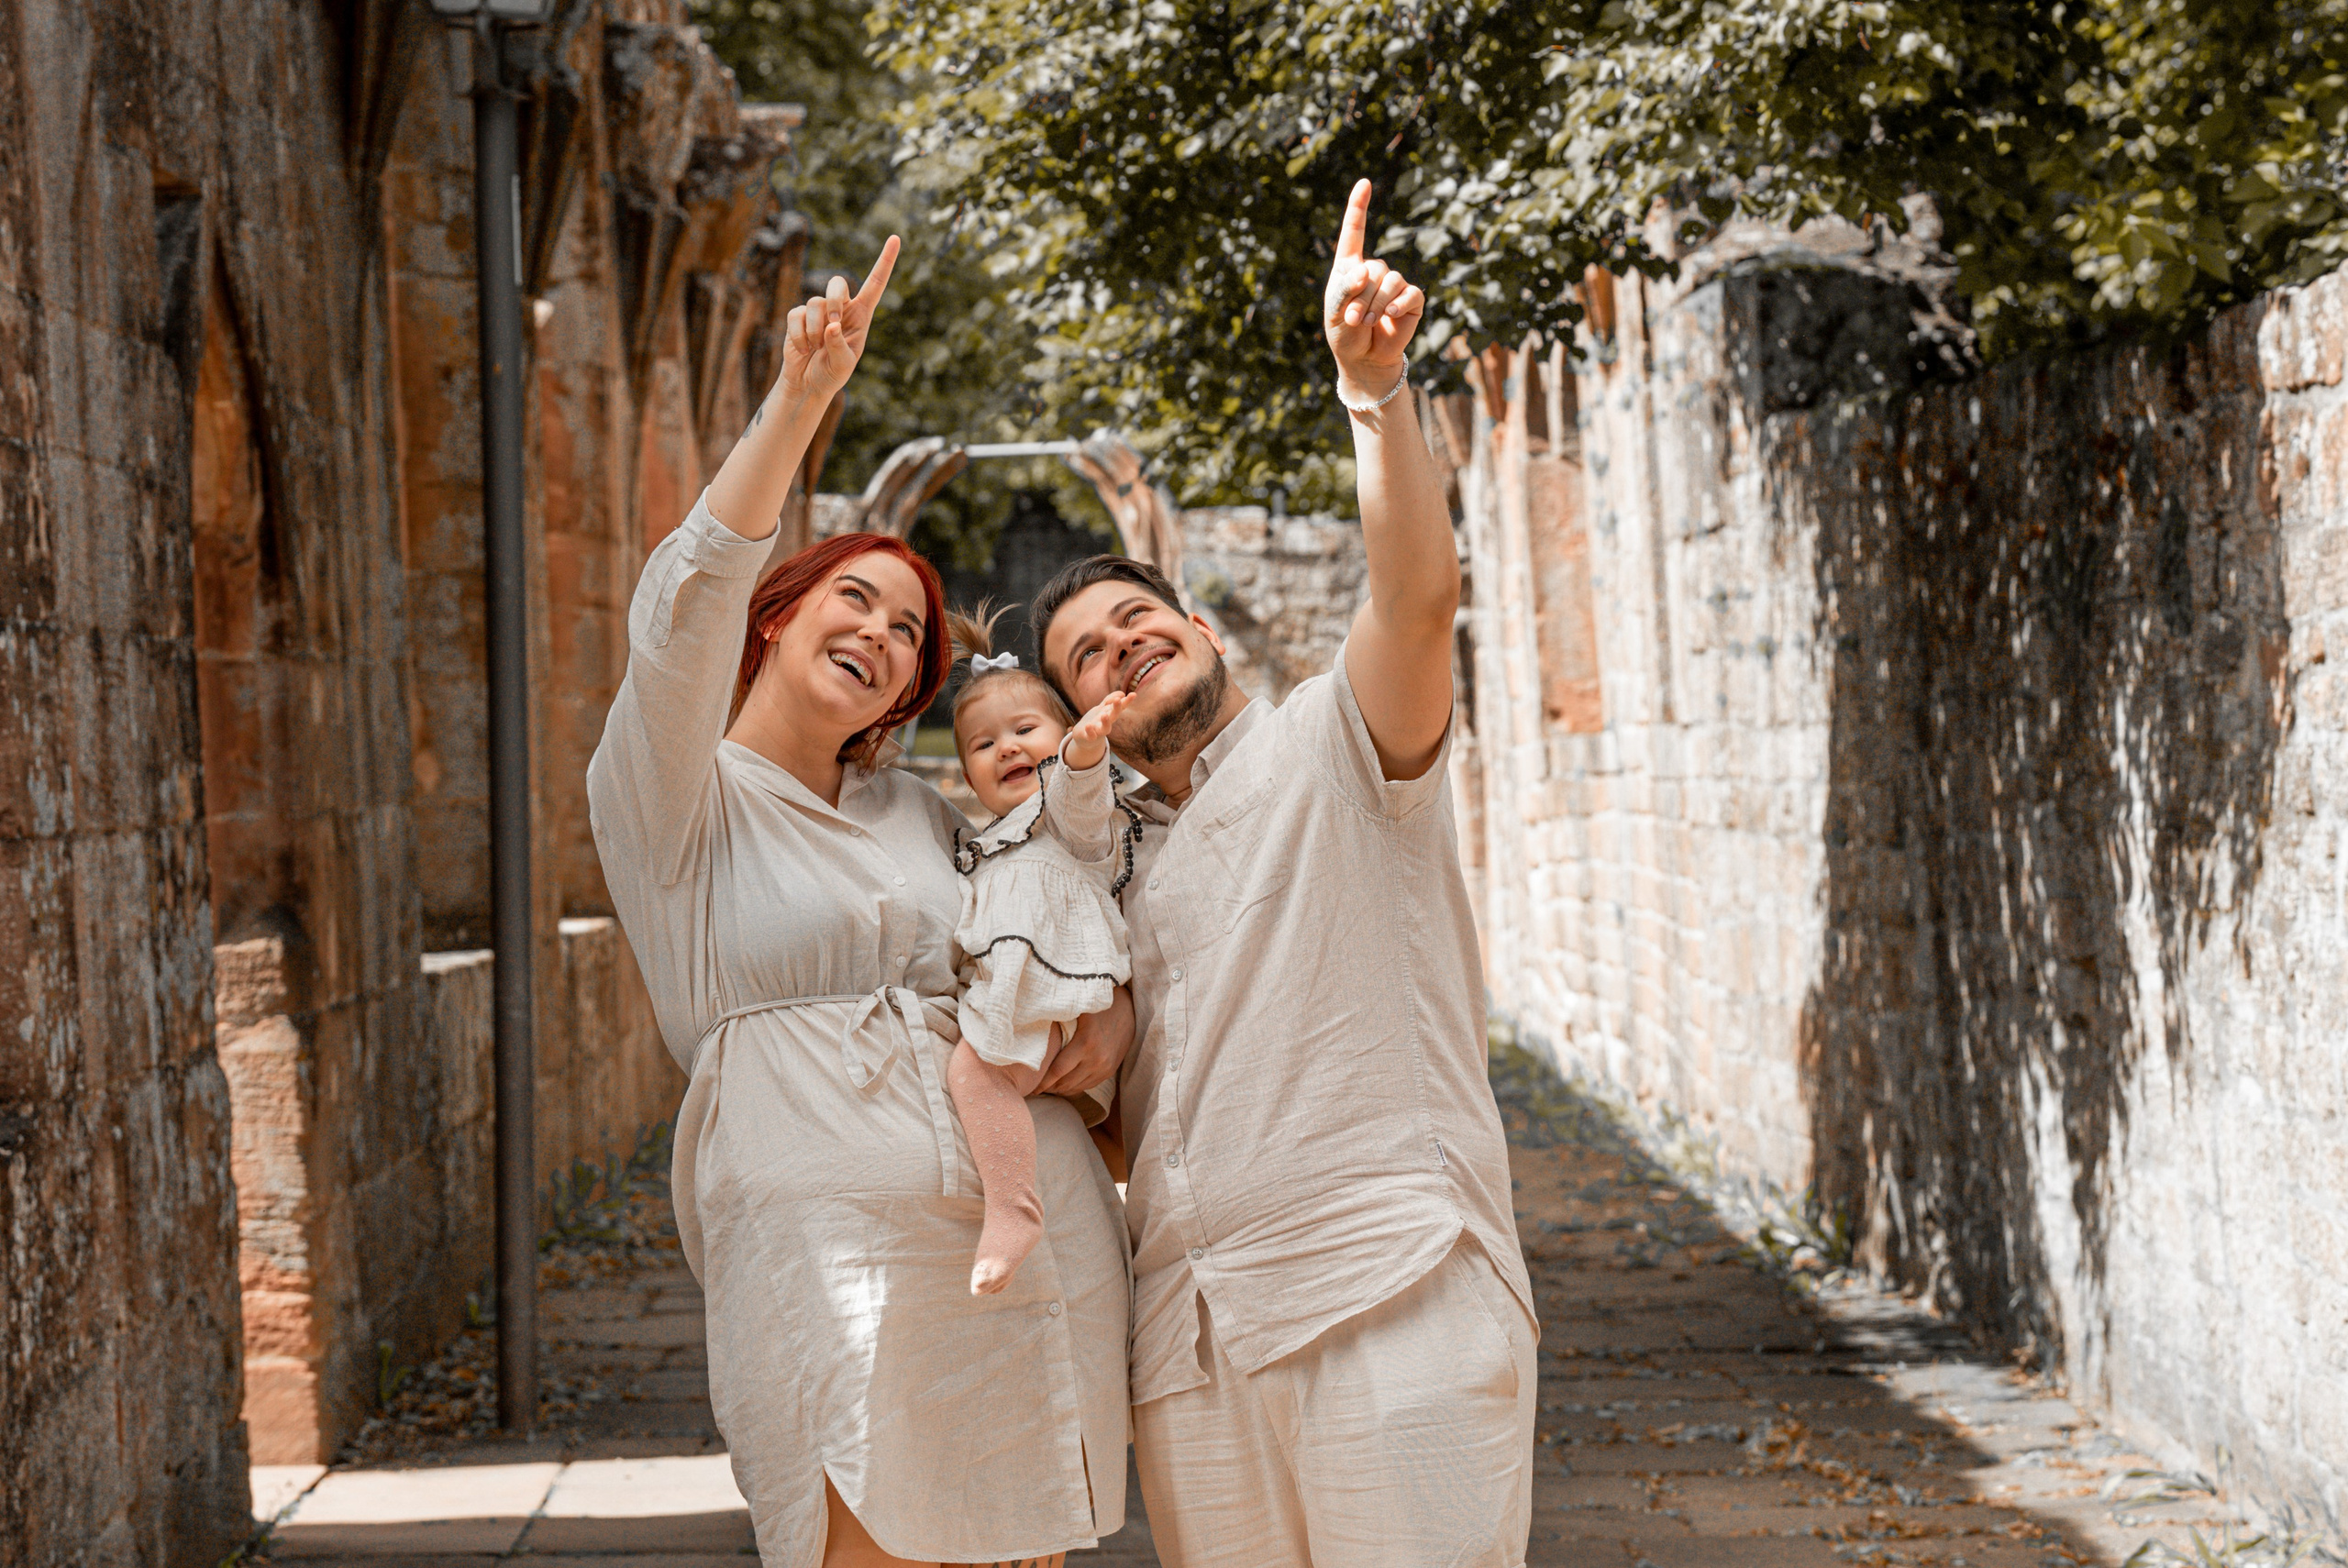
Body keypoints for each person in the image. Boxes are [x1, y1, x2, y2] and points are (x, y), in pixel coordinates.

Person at [587, 237, 1133, 1568]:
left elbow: (1047, 916)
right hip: (822, 1240)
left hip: (1022, 1231)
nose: (886, 633)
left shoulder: (917, 814)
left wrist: (1103, 1044)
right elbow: (682, 606)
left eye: (910, 635)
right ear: (775, 618)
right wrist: (799, 402)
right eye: (858, 599)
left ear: (906, 698)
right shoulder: (674, 793)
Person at [1027, 181, 1539, 1566]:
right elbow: (1130, 1115)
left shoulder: (1336, 740)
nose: (1123, 648)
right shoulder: (1101, 879)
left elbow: (1418, 596)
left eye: (1139, 620)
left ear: (1203, 631)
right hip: (1192, 1337)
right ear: (1086, 718)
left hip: (1388, 1287)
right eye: (1088, 655)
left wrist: (1375, 396)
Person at [940, 605, 1138, 1295]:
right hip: (1030, 1002)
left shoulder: (1064, 817)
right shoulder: (988, 842)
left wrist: (1083, 754)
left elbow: (1085, 803)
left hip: (1054, 994)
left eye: (1026, 731)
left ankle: (1012, 1210)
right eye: (982, 744)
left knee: (974, 1074)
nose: (1006, 749)